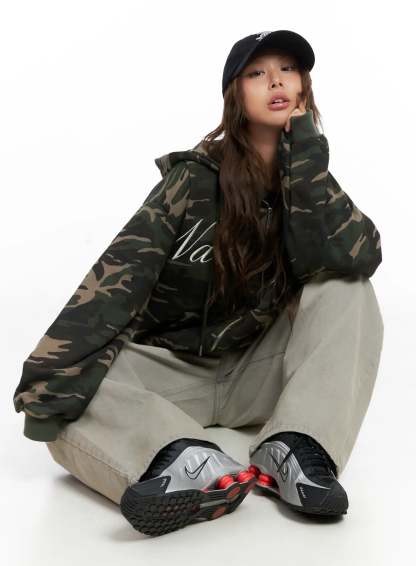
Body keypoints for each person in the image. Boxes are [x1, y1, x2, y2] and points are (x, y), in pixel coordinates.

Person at [12, 30, 384, 537]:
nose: (276, 81)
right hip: (170, 372)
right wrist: (47, 377)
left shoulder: (310, 176)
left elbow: (359, 257)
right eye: (257, 73)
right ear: (235, 93)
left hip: (257, 373)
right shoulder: (192, 180)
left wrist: (307, 159)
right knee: (68, 392)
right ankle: (183, 460)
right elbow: (119, 279)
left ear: (303, 87)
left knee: (348, 289)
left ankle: (296, 447)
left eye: (287, 69)